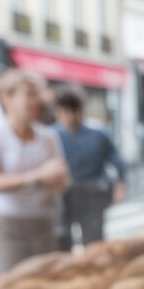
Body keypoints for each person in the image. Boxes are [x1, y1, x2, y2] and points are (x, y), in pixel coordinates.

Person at [0, 69, 70, 274]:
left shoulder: (48, 136)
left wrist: (56, 180)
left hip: (43, 221)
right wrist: (38, 177)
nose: (37, 101)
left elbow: (62, 180)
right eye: (29, 94)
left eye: (38, 94)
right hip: (6, 225)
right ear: (6, 98)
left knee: (45, 288)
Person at [53, 89, 127, 248]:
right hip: (64, 193)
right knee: (62, 238)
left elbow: (117, 161)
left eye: (72, 111)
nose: (68, 117)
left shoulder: (98, 134)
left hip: (92, 191)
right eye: (64, 112)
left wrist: (119, 186)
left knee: (93, 241)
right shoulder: (52, 135)